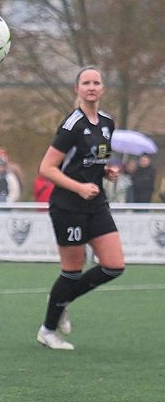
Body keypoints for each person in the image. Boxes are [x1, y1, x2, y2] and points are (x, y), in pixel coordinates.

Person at [36, 66, 125, 350]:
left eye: (96, 82)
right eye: (85, 82)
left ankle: (62, 297)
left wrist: (107, 171)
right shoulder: (71, 125)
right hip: (68, 205)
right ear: (77, 89)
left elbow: (99, 157)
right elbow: (46, 168)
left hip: (96, 204)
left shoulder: (108, 122)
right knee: (72, 271)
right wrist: (79, 187)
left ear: (103, 88)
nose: (91, 86)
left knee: (114, 266)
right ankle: (48, 330)